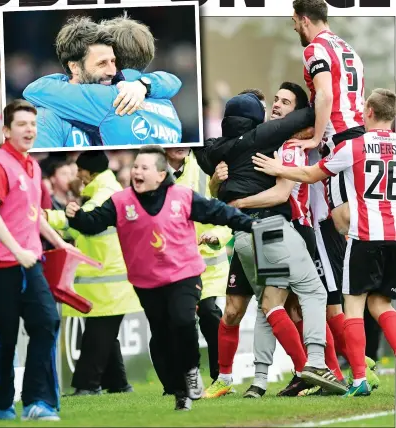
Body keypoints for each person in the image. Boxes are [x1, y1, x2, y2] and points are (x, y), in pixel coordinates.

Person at [65, 145, 256, 411]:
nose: (137, 172)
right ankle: (179, 390)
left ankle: (191, 371)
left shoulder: (182, 196)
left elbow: (218, 211)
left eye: (144, 168)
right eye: (135, 167)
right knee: (163, 333)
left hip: (185, 274)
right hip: (147, 282)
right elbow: (93, 223)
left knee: (182, 319)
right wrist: (75, 217)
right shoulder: (121, 202)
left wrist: (250, 224)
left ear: (160, 174)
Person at [194, 93, 347, 399]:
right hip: (269, 230)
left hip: (267, 234)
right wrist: (216, 184)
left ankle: (271, 378)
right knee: (284, 301)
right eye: (272, 102)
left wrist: (225, 192)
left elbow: (205, 153)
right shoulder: (262, 140)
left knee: (274, 306)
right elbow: (276, 193)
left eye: (283, 102)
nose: (276, 107)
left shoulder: (236, 146)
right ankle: (311, 367)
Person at [252, 87, 396, 397]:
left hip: (364, 236)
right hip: (394, 237)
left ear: (368, 112)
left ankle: (358, 379)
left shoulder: (355, 146)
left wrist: (279, 168)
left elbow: (314, 173)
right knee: (382, 303)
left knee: (353, 307)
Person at [0, 99, 74, 421]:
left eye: (33, 125)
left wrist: (59, 243)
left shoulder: (32, 165)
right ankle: (1, 403)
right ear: (7, 130)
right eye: (22, 125)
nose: (30, 130)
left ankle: (38, 402)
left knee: (46, 322)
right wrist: (16, 250)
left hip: (28, 262)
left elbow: (33, 215)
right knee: (4, 337)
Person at [289, 0, 367, 368]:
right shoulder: (347, 46)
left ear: (304, 19)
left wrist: (316, 136)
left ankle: (364, 273)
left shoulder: (314, 48)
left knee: (342, 219)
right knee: (358, 213)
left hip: (339, 138)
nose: (293, 26)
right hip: (359, 133)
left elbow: (325, 93)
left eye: (293, 20)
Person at [45, 151, 142, 396]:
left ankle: (87, 385)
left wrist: (46, 217)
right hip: (109, 280)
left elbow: (80, 223)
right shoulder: (107, 189)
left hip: (107, 280)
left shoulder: (102, 195)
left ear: (91, 173)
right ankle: (119, 384)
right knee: (104, 334)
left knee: (97, 336)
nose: (77, 175)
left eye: (80, 171)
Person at [24, 16, 183, 147]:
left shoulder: (110, 97)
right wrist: (147, 83)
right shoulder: (168, 105)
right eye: (102, 62)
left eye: (112, 61)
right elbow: (174, 81)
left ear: (117, 58)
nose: (110, 70)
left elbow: (34, 90)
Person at [161, 147, 231, 390]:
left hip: (207, 266)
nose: (181, 144)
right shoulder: (150, 171)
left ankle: (220, 376)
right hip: (171, 265)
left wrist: (215, 235)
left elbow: (226, 214)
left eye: (186, 139)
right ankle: (173, 382)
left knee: (211, 315)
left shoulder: (207, 169)